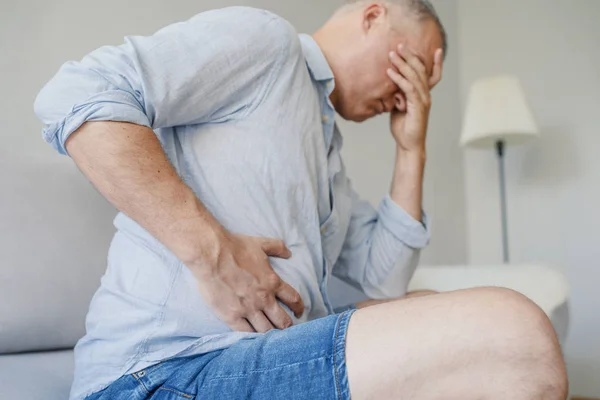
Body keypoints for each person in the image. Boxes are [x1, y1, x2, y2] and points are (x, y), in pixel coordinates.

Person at [34, 1, 567, 399]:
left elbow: (386, 279)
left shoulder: (326, 156)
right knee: (517, 333)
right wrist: (209, 248)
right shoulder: (269, 44)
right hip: (157, 375)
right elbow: (76, 94)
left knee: (428, 306)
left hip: (247, 363)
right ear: (374, 15)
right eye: (417, 69)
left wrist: (411, 148)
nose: (411, 94)